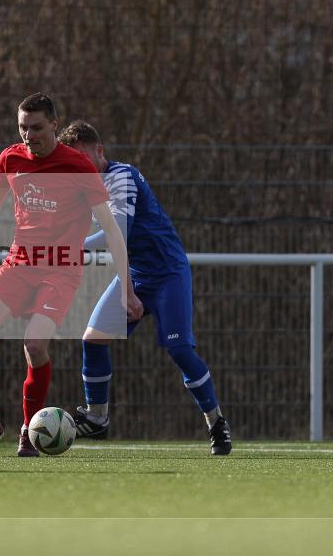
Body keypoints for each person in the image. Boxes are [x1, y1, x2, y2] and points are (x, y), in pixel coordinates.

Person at [0, 94, 134, 457]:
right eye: (23, 128)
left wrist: (127, 288)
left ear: (54, 124)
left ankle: (28, 429)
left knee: (34, 346)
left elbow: (112, 230)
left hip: (61, 268)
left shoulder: (78, 166)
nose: (29, 135)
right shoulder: (12, 157)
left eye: (36, 127)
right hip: (19, 262)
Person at [58, 120, 231, 456]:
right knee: (93, 340)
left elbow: (119, 230)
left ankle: (216, 423)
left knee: (180, 351)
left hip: (168, 274)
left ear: (99, 152)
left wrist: (72, 248)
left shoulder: (121, 176)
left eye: (82, 157)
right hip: (136, 273)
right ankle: (97, 418)